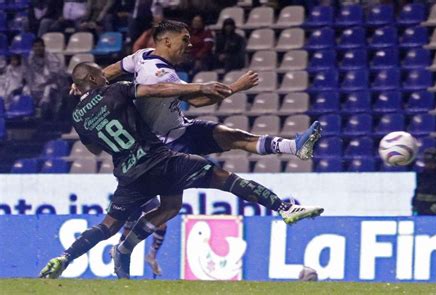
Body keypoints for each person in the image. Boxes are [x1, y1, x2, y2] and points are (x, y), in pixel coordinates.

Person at [39, 62, 324, 280]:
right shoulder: (117, 89)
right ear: (92, 79)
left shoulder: (77, 118)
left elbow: (95, 151)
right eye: (100, 74)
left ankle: (65, 258)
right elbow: (153, 91)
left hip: (128, 175)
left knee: (112, 224)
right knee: (223, 178)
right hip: (160, 161)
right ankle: (284, 207)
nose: (105, 76)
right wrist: (198, 89)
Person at [102, 20, 323, 274]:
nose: (190, 44)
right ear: (167, 41)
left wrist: (86, 85)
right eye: (184, 39)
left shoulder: (141, 56)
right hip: (166, 147)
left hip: (180, 129)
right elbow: (197, 99)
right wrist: (236, 87)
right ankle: (124, 250)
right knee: (173, 206)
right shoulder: (162, 75)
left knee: (230, 137)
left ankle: (295, 148)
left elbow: (111, 71)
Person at [24, 38, 67, 118]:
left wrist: (43, 84)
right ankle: (29, 115)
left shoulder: (51, 57)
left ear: (44, 47)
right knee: (26, 89)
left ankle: (46, 115)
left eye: (40, 46)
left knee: (48, 90)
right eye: (35, 46)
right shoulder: (31, 57)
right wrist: (31, 85)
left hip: (52, 83)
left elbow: (55, 75)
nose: (38, 48)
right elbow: (29, 74)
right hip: (37, 83)